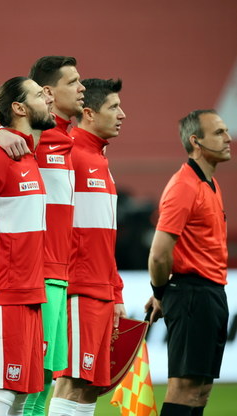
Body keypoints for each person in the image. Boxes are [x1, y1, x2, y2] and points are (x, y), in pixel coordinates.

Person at [0, 56, 85, 416]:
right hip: (37, 272)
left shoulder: (67, 139)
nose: (82, 89)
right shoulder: (31, 138)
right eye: (74, 82)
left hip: (60, 274)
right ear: (48, 92)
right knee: (26, 382)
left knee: (44, 380)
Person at [49, 78, 126, 416]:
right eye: (114, 107)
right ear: (90, 113)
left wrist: (116, 293)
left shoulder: (99, 159)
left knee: (91, 386)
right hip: (78, 288)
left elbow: (104, 240)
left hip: (101, 290)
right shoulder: (71, 154)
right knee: (71, 381)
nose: (122, 114)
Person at [0, 76, 56, 415]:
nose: (49, 99)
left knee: (23, 394)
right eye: (41, 95)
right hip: (5, 292)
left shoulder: (26, 154)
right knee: (2, 393)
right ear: (19, 107)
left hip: (31, 291)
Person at [146, 110, 231, 416]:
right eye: (219, 132)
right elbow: (158, 253)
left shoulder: (209, 183)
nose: (228, 138)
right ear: (196, 141)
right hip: (193, 295)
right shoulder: (185, 186)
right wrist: (161, 292)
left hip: (210, 293)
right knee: (184, 389)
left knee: (200, 391)